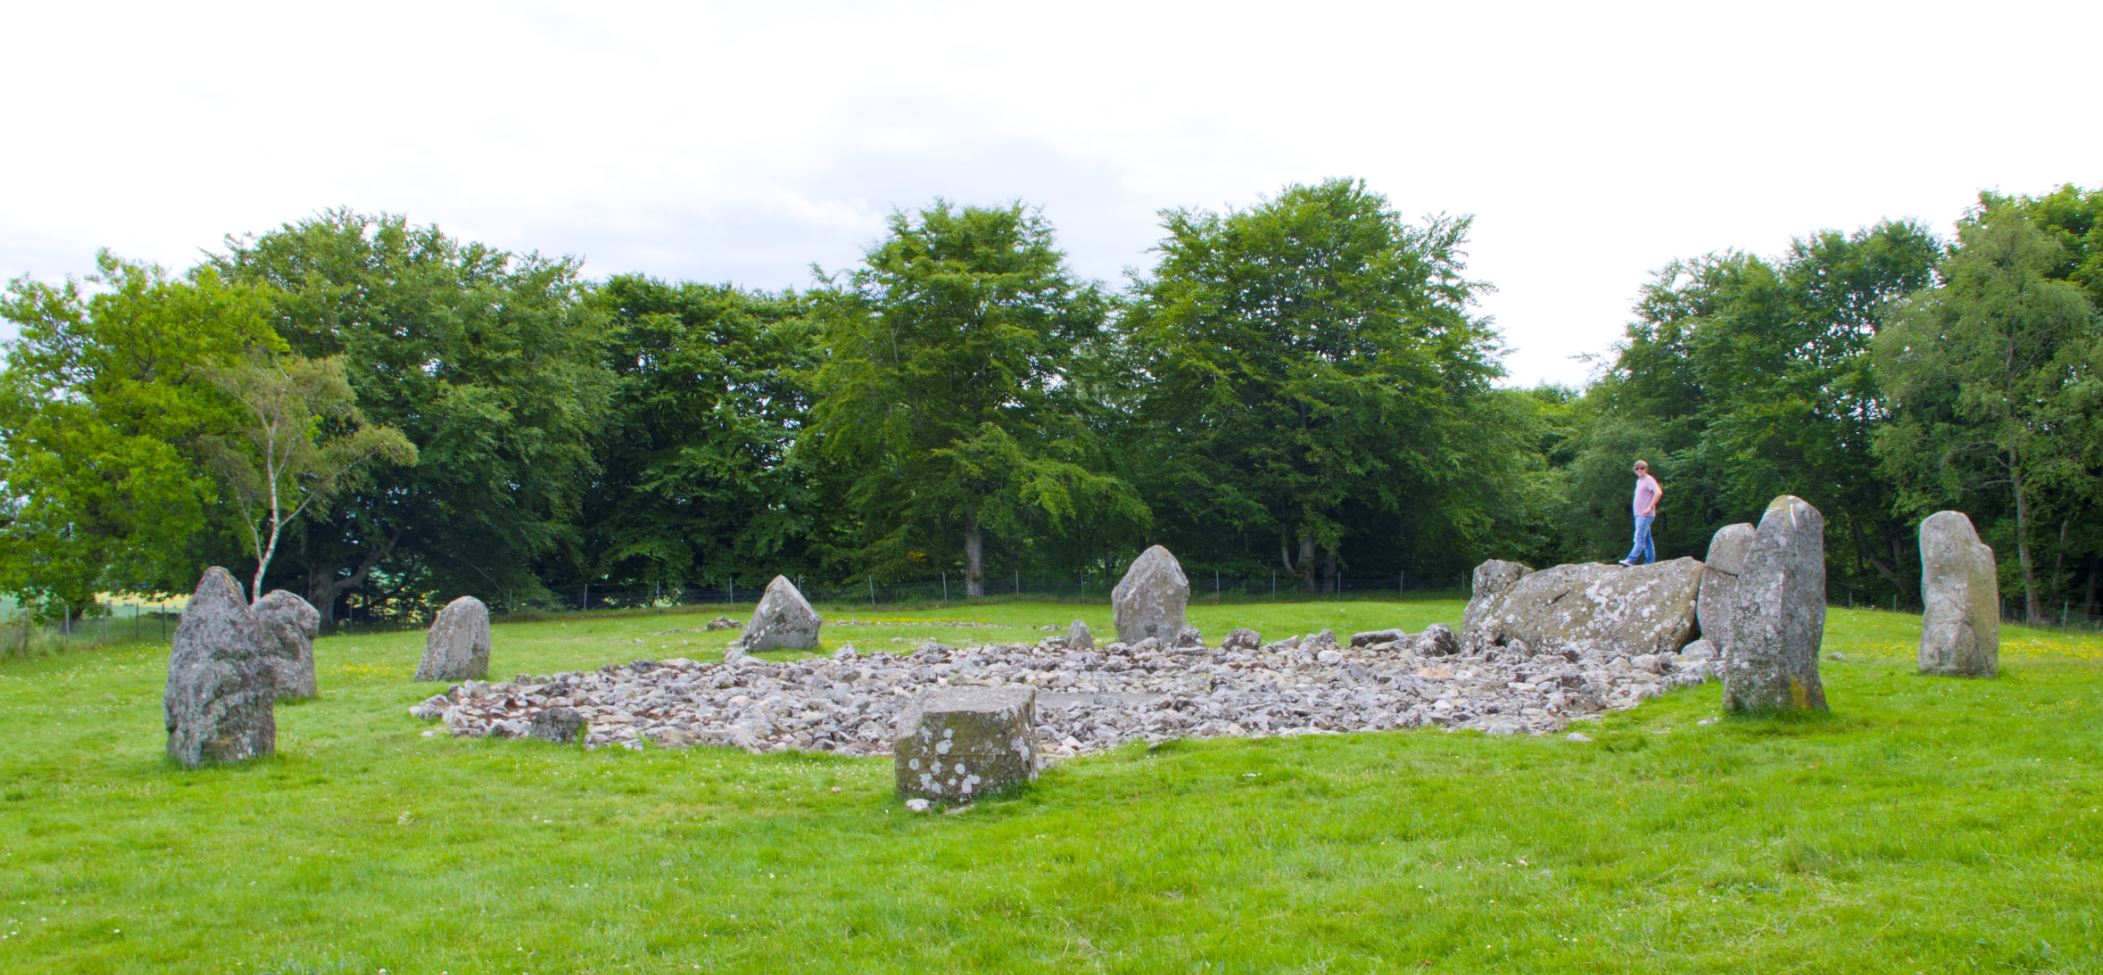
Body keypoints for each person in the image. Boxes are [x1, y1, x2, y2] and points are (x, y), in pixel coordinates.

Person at [1618, 460, 1661, 566]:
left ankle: (1631, 560)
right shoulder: (1639, 481)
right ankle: (1650, 562)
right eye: (1637, 468)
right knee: (1647, 539)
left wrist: (1649, 507)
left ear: (1646, 469)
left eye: (1642, 468)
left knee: (1639, 538)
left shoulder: (1649, 479)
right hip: (1638, 514)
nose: (1639, 470)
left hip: (1645, 515)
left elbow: (1658, 492)